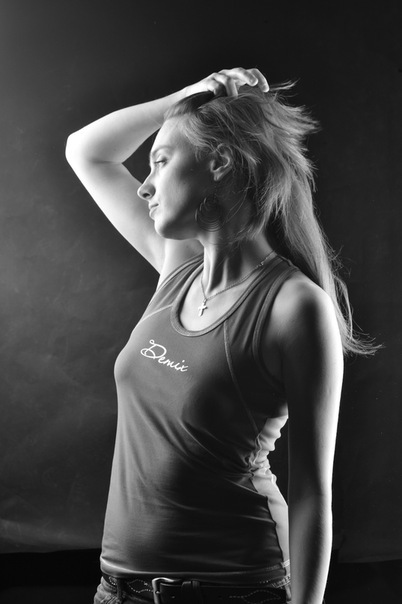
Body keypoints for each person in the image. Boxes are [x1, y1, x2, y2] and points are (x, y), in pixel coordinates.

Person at [65, 67, 367, 604]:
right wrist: (187, 98)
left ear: (220, 161)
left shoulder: (295, 307)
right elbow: (85, 150)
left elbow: (311, 493)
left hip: (234, 589)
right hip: (120, 589)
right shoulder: (179, 268)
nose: (145, 185)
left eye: (161, 161)